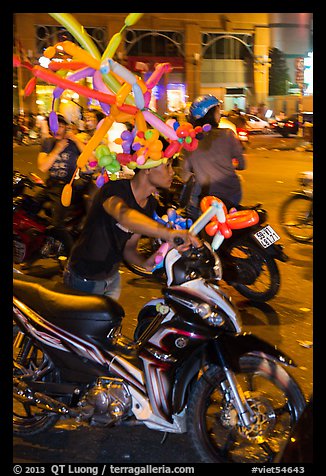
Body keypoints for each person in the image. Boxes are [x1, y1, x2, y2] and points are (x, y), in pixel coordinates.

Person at [63, 153, 201, 301]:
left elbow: (129, 248)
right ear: (147, 169)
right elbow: (124, 215)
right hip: (84, 277)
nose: (172, 172)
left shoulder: (149, 204)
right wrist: (169, 233)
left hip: (112, 278)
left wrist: (144, 263)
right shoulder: (115, 189)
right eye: (167, 166)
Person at [180, 94, 246, 221]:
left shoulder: (190, 141)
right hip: (233, 197)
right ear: (211, 113)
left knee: (189, 216)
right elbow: (242, 164)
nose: (220, 114)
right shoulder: (229, 134)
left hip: (204, 201)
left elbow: (184, 175)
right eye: (218, 110)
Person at [36, 114, 88, 253]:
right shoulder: (48, 142)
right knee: (29, 208)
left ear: (66, 127)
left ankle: (73, 258)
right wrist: (57, 149)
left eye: (61, 126)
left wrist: (76, 140)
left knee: (57, 224)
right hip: (50, 186)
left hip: (66, 187)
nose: (57, 129)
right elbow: (42, 166)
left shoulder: (73, 143)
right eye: (54, 126)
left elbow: (90, 156)